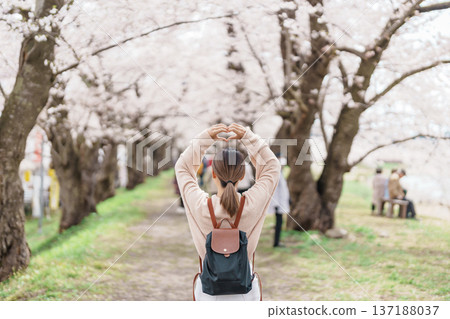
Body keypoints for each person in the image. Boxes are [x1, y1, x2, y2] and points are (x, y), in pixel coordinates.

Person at [175, 123, 280, 301]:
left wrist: (205, 138)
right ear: (242, 176)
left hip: (208, 293)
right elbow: (272, 166)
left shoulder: (201, 206)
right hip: (246, 293)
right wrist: (248, 137)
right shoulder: (252, 204)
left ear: (213, 174)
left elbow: (183, 167)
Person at [267, 154, 290, 247]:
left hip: (281, 202)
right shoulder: (276, 174)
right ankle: (276, 243)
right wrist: (275, 204)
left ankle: (277, 241)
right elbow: (275, 191)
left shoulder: (281, 173)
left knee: (280, 223)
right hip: (277, 203)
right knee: (279, 223)